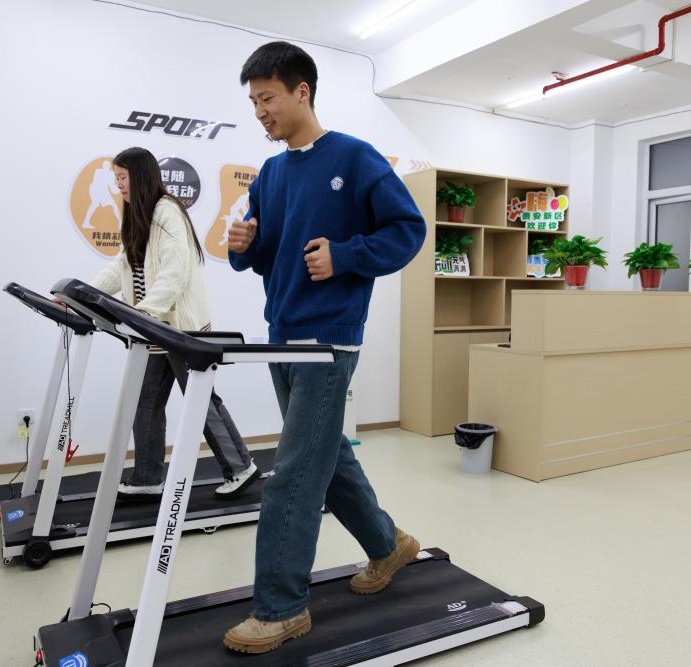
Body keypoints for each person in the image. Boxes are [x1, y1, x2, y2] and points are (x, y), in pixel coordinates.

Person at [223, 42, 427, 654]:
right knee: (326, 454)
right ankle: (389, 545)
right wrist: (243, 245)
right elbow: (265, 255)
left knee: (293, 474)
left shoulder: (355, 157)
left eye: (267, 98)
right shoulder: (272, 173)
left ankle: (281, 608)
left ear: (302, 91)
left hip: (329, 341)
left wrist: (346, 256)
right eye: (253, 102)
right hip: (283, 335)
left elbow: (408, 230)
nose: (260, 111)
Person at [89, 147, 260, 499]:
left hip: (180, 327)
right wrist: (85, 294)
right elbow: (120, 267)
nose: (118, 185)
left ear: (141, 176)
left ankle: (241, 467)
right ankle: (148, 477)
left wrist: (144, 312)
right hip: (152, 329)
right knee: (145, 403)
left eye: (123, 177)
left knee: (200, 400)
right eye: (116, 178)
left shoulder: (167, 211)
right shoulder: (137, 215)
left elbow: (175, 271)